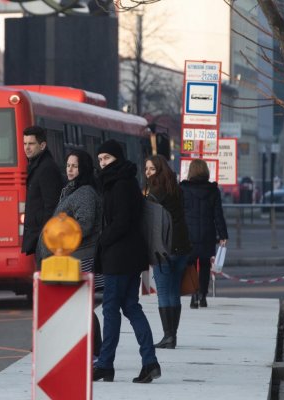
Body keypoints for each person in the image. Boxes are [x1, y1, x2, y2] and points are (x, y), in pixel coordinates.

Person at [92, 139, 161, 384]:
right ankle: (149, 362)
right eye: (100, 160)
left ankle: (105, 365)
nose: (103, 164)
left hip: (119, 256)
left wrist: (102, 239)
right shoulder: (123, 181)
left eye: (107, 159)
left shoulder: (119, 184)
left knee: (111, 309)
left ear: (117, 159)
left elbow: (122, 221)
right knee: (130, 307)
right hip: (129, 256)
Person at [36, 149, 104, 360]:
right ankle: (90, 350)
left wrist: (60, 240)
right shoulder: (73, 190)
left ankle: (92, 351)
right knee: (78, 307)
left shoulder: (84, 192)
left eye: (75, 166)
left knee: (80, 307)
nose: (70, 169)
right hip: (72, 257)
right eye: (68, 165)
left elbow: (84, 223)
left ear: (83, 168)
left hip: (80, 258)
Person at [144, 155, 192, 349]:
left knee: (164, 292)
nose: (147, 172)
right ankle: (173, 336)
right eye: (146, 169)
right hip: (182, 247)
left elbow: (149, 223)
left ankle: (167, 336)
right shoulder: (177, 190)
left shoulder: (154, 192)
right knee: (174, 292)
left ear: (159, 171)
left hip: (163, 248)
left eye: (151, 169)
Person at [180, 159, 228, 308]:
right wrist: (223, 235)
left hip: (188, 233)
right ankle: (203, 295)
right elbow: (218, 215)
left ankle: (194, 295)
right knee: (206, 264)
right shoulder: (213, 190)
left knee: (191, 263)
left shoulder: (183, 189)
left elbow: (179, 213)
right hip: (208, 233)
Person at [20, 125, 63, 258]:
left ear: (42, 145)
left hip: (44, 239)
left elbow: (52, 206)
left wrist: (44, 237)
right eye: (25, 143)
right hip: (39, 236)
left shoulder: (46, 168)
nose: (27, 147)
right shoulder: (37, 166)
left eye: (31, 144)